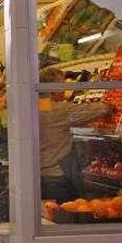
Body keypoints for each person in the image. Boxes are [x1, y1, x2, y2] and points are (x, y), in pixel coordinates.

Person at [39, 68, 111, 202]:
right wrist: (107, 105)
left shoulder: (37, 105)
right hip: (57, 174)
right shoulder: (57, 109)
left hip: (39, 174)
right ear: (54, 89)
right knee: (65, 214)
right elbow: (94, 110)